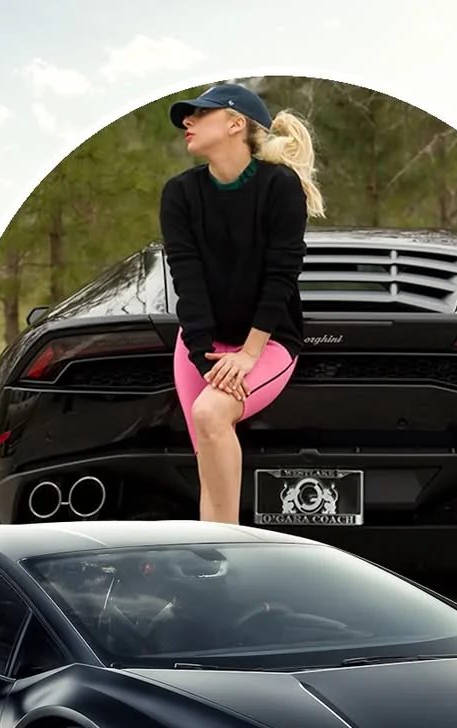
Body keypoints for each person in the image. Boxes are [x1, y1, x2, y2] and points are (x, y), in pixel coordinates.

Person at [159, 82, 325, 524]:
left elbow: (281, 277)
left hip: (267, 344)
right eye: (186, 118)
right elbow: (186, 280)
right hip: (203, 346)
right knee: (208, 476)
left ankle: (230, 547)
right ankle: (215, 570)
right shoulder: (180, 193)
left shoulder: (280, 187)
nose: (187, 123)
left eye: (199, 114)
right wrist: (205, 358)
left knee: (210, 411)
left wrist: (250, 354)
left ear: (236, 123)